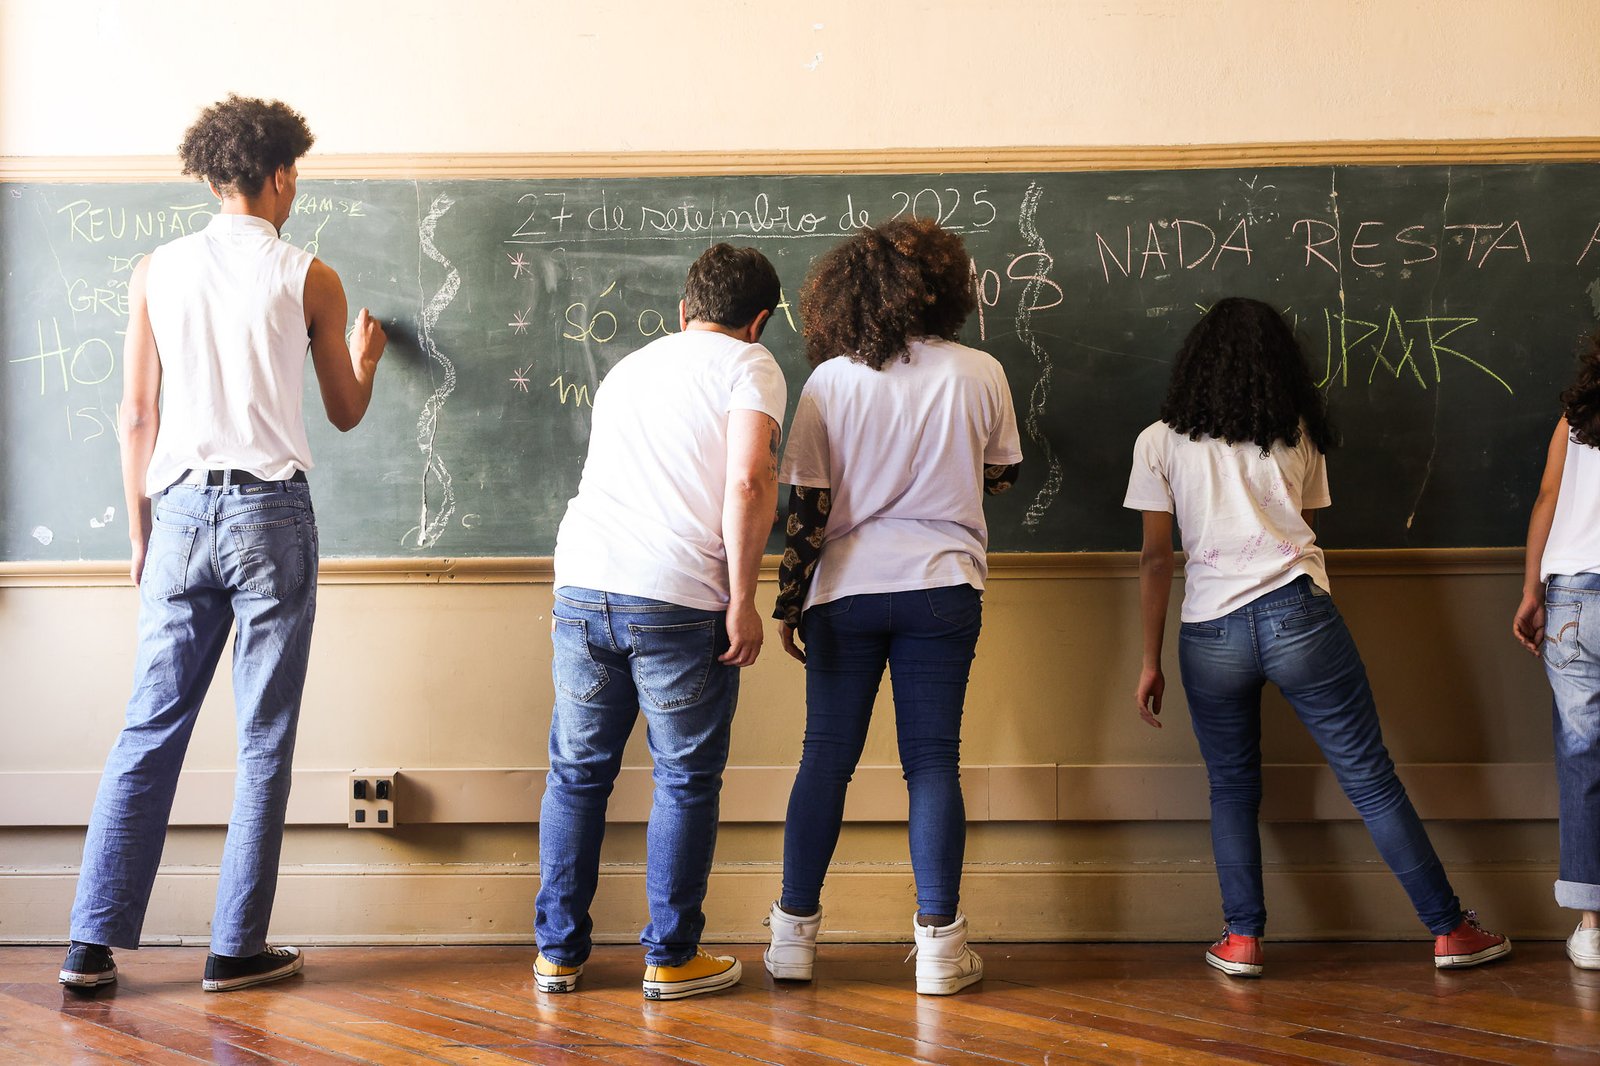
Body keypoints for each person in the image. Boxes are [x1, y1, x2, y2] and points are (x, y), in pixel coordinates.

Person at [59, 95, 388, 992]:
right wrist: (367, 357)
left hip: (175, 514)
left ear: (210, 178)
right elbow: (345, 413)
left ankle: (89, 947)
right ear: (281, 176)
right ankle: (234, 948)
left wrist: (140, 532)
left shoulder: (156, 269)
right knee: (263, 736)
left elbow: (135, 413)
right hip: (270, 517)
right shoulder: (309, 276)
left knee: (148, 728)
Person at [1125, 296, 1509, 977]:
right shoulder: (1296, 430)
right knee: (1369, 778)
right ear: (1279, 364)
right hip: (1296, 613)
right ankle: (1451, 929)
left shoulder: (1157, 441)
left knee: (1232, 789)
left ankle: (1242, 939)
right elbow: (1302, 525)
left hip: (1208, 632)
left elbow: (1158, 557)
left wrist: (1148, 660)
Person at [760, 217, 1022, 996]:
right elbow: (1002, 476)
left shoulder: (833, 381)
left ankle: (791, 942)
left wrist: (788, 599)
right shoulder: (980, 372)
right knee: (933, 763)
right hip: (942, 584)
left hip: (844, 589)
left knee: (825, 760)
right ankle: (940, 948)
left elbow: (807, 506)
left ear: (847, 294)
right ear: (946, 288)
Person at [534, 243, 785, 1001]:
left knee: (577, 777)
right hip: (675, 598)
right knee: (682, 779)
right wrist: (743, 598)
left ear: (684, 310)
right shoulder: (751, 367)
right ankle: (670, 958)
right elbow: (748, 478)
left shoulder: (630, 367)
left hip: (583, 585)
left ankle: (558, 955)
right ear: (760, 321)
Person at [1513, 334, 1600, 970]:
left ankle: (1592, 925)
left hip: (1572, 598)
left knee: (1581, 758)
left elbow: (1548, 498)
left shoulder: (1579, 418)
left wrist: (1530, 590)